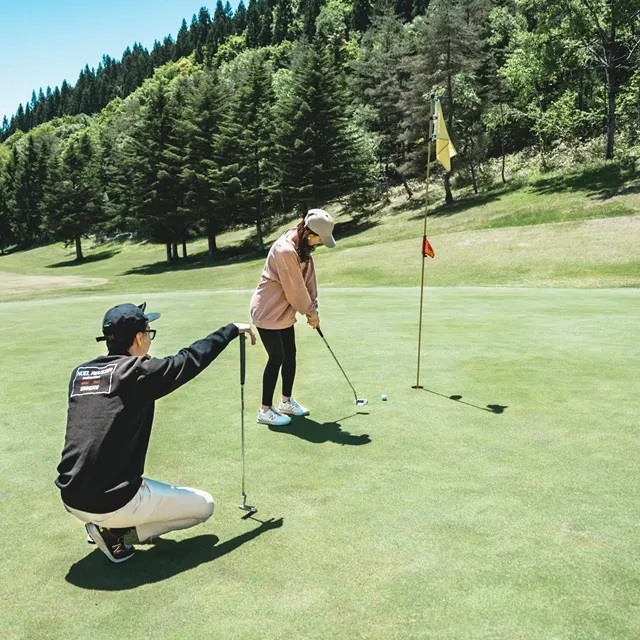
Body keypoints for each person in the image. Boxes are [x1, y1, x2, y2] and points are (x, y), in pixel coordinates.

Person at [55, 302, 256, 563]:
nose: (149, 337)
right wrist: (229, 330)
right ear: (139, 337)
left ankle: (110, 526)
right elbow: (190, 359)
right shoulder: (138, 372)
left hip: (70, 495)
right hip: (111, 500)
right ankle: (116, 534)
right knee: (204, 506)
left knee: (117, 486)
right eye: (149, 331)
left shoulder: (81, 373)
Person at [250, 208, 336, 426]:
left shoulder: (303, 246)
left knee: (290, 354)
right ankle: (264, 410)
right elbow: (295, 289)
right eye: (318, 239)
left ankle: (286, 402)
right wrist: (309, 312)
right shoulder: (285, 250)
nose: (319, 243)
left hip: (284, 312)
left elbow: (308, 280)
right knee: (277, 357)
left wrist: (313, 308)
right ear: (308, 232)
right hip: (268, 310)